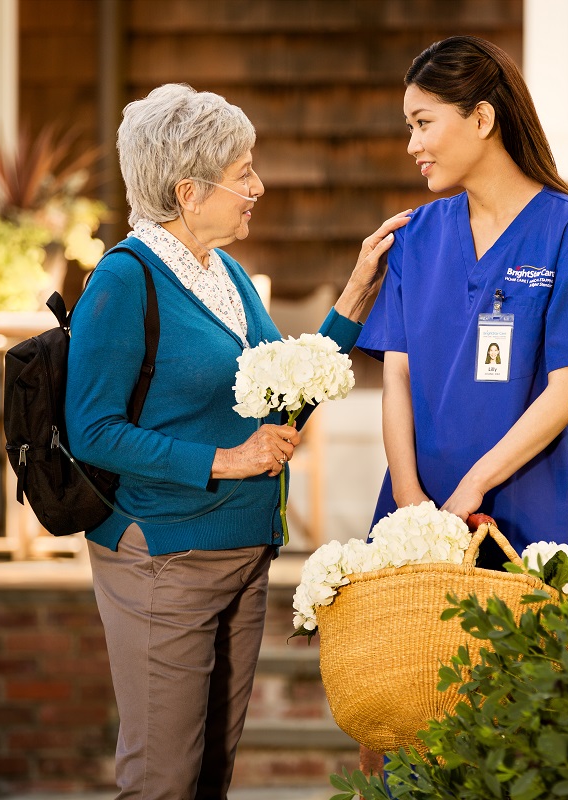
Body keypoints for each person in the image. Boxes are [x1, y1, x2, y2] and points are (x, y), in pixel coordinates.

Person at [65, 83, 409, 800]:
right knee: (162, 781)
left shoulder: (222, 275)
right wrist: (225, 459)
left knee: (209, 780)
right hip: (164, 559)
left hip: (242, 553)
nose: (258, 187)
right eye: (243, 173)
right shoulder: (124, 281)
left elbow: (283, 398)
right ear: (189, 191)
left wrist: (356, 294)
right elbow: (91, 431)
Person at [357, 35, 568, 566]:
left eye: (423, 123)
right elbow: (397, 377)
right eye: (408, 127)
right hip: (422, 520)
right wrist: (410, 499)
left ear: (482, 119)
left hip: (534, 518)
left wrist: (473, 487)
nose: (412, 144)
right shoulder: (414, 237)